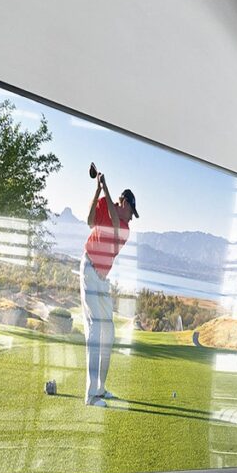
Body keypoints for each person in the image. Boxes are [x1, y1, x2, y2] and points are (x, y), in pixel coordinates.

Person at [81, 166, 137, 407]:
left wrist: (105, 186)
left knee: (108, 333)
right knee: (95, 331)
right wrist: (97, 191)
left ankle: (101, 389)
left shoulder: (124, 228)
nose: (131, 216)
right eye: (131, 210)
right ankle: (90, 395)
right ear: (123, 201)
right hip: (89, 269)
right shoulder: (105, 203)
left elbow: (114, 223)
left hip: (102, 280)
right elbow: (89, 220)